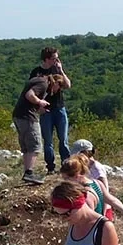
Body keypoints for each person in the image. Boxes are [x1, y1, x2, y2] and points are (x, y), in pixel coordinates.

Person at [13, 73, 68, 185]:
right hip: (28, 117)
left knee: (26, 146)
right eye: (59, 87)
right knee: (35, 145)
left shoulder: (38, 80)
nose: (58, 90)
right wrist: (39, 102)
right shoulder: (43, 84)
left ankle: (28, 172)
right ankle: (29, 173)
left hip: (18, 115)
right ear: (56, 83)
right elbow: (29, 95)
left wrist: (39, 107)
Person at [68, 139, 123, 223]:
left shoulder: (97, 168)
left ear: (86, 152)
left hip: (101, 208)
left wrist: (103, 213)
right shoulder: (83, 167)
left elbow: (105, 193)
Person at [29, 46, 72, 175]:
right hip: (46, 110)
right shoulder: (37, 72)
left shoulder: (56, 70)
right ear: (46, 59)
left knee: (63, 139)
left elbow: (68, 85)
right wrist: (38, 106)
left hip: (59, 108)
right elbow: (30, 92)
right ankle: (50, 167)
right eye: (54, 58)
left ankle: (66, 165)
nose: (56, 60)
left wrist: (61, 70)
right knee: (48, 141)